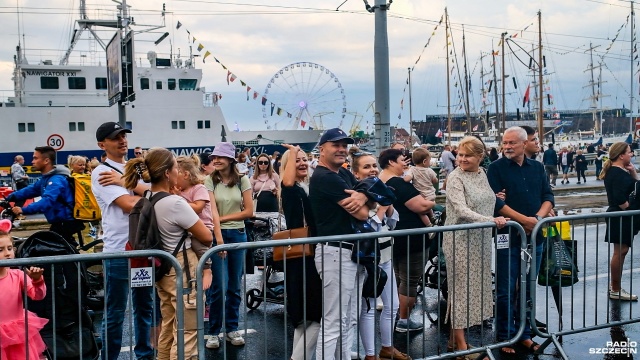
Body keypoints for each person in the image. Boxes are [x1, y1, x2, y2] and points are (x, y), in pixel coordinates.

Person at [123, 148, 213, 360]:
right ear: (166, 173)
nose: (177, 171)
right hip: (181, 266)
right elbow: (206, 236)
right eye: (174, 167)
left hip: (161, 268)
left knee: (169, 326)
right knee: (188, 332)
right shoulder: (175, 203)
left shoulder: (146, 199)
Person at [487, 126, 554, 355]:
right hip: (509, 236)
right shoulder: (495, 169)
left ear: (524, 144)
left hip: (535, 235)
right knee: (506, 288)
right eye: (504, 142)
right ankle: (505, 336)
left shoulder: (537, 167)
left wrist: (537, 219)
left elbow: (548, 196)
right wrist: (523, 220)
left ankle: (524, 334)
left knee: (528, 287)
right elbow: (496, 202)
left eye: (512, 143)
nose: (506, 147)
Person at [90, 122, 154, 360]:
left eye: (124, 135)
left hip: (142, 248)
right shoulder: (101, 172)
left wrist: (128, 184)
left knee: (144, 307)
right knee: (115, 311)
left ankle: (145, 354)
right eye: (115, 137)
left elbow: (159, 193)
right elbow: (131, 205)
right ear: (102, 144)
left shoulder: (133, 169)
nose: (122, 140)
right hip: (118, 250)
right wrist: (145, 193)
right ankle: (110, 356)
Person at [443, 137, 508, 358]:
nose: (462, 159)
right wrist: (490, 219)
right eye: (459, 154)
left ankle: (454, 339)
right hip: (459, 239)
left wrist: (494, 200)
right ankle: (462, 347)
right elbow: (461, 209)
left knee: (473, 288)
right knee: (461, 290)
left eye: (467, 155)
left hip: (479, 239)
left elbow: (483, 199)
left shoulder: (482, 174)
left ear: (480, 157)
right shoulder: (454, 177)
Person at [309, 128, 370, 360]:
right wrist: (367, 198)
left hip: (350, 251)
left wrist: (363, 195)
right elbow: (364, 214)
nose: (341, 149)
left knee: (349, 317)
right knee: (334, 320)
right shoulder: (326, 177)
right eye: (335, 144)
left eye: (344, 145)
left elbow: (371, 189)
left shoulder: (342, 174)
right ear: (322, 148)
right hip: (335, 251)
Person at [349, 149, 409, 360]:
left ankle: (387, 346)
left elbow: (392, 223)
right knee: (370, 307)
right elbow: (366, 227)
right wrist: (382, 210)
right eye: (366, 167)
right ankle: (371, 354)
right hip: (368, 259)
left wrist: (389, 208)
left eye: (374, 165)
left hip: (386, 255)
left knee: (392, 305)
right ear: (356, 173)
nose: (373, 169)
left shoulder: (381, 191)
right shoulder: (355, 196)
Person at [378, 148, 435, 333]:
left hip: (395, 237)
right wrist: (437, 201)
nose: (406, 163)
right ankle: (403, 320)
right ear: (391, 162)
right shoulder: (398, 183)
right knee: (410, 281)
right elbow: (421, 205)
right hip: (412, 238)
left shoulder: (381, 180)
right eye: (403, 160)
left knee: (398, 278)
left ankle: (394, 314)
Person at [205, 142, 254, 349]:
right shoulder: (209, 180)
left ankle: (232, 328)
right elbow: (211, 211)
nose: (216, 160)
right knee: (219, 286)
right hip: (218, 237)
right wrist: (220, 237)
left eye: (221, 157)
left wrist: (221, 219)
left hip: (239, 235)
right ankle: (214, 331)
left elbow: (248, 212)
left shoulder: (243, 180)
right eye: (215, 156)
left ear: (231, 160)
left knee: (234, 285)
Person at [279, 144, 323, 360]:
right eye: (297, 160)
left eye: (305, 159)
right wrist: (294, 151)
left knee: (305, 317)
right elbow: (286, 182)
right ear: (287, 165)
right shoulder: (291, 189)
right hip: (304, 256)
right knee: (315, 314)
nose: (303, 162)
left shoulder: (306, 188)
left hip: (305, 255)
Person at [7, 146, 84, 245]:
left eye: (35, 158)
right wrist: (10, 197)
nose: (32, 162)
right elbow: (30, 190)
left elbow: (47, 201)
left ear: (46, 160)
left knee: (52, 248)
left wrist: (23, 210)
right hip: (59, 222)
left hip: (66, 222)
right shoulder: (46, 178)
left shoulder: (56, 179)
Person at [0, 220, 48, 360]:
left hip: (17, 334)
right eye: (0, 250)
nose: (8, 253)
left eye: (10, 248)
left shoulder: (18, 275)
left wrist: (37, 280)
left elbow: (38, 295)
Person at [175, 155, 224, 292]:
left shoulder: (199, 188)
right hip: (188, 229)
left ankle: (207, 269)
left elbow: (198, 207)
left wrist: (179, 200)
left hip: (202, 227)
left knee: (200, 248)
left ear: (186, 175)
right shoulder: (181, 191)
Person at [599, 142, 639, 301]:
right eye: (629, 152)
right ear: (621, 155)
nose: (632, 155)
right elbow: (619, 197)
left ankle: (615, 287)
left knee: (622, 252)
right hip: (621, 216)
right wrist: (629, 209)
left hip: (622, 216)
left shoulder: (621, 171)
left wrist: (634, 175)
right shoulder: (616, 173)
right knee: (620, 252)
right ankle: (615, 288)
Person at [404, 147, 438, 225]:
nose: (430, 163)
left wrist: (403, 179)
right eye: (429, 161)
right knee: (428, 207)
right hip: (431, 194)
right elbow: (435, 180)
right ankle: (432, 217)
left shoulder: (412, 169)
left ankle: (429, 225)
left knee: (421, 212)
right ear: (425, 161)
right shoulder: (430, 170)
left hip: (421, 195)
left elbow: (407, 179)